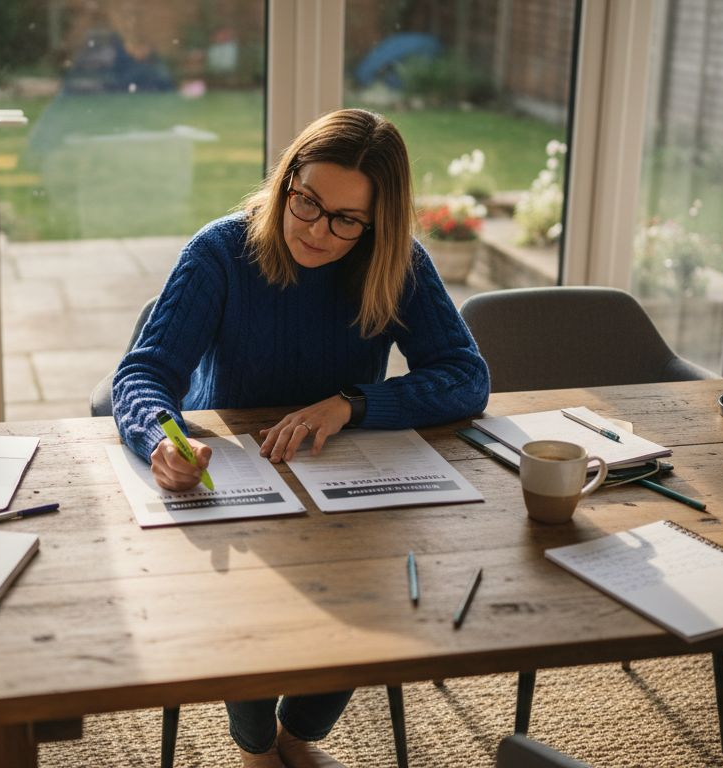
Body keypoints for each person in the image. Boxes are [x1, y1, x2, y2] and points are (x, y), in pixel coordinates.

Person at [111, 108, 490, 768]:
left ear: (378, 224)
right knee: (251, 608)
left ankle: (297, 735)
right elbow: (144, 372)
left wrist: (353, 403)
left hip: (340, 472)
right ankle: (257, 747)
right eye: (306, 201)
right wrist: (160, 438)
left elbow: (465, 377)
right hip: (231, 473)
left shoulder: (398, 262)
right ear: (287, 179)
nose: (316, 229)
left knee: (369, 593)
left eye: (346, 220)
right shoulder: (219, 254)